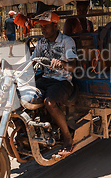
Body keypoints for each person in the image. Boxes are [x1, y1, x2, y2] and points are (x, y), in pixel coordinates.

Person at [31, 11, 77, 156]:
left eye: (46, 26)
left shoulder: (67, 41)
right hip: (44, 79)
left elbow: (74, 66)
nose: (42, 30)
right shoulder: (41, 42)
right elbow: (31, 61)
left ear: (55, 25)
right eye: (41, 27)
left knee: (49, 102)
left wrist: (62, 63)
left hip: (62, 81)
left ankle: (67, 137)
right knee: (22, 96)